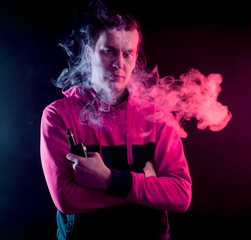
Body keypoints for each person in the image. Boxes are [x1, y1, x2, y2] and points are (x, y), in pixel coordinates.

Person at [40, 1, 192, 239]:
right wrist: (144, 186)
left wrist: (108, 179)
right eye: (109, 50)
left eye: (127, 53)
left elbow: (180, 196)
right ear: (90, 54)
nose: (119, 63)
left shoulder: (157, 118)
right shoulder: (59, 115)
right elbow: (67, 199)